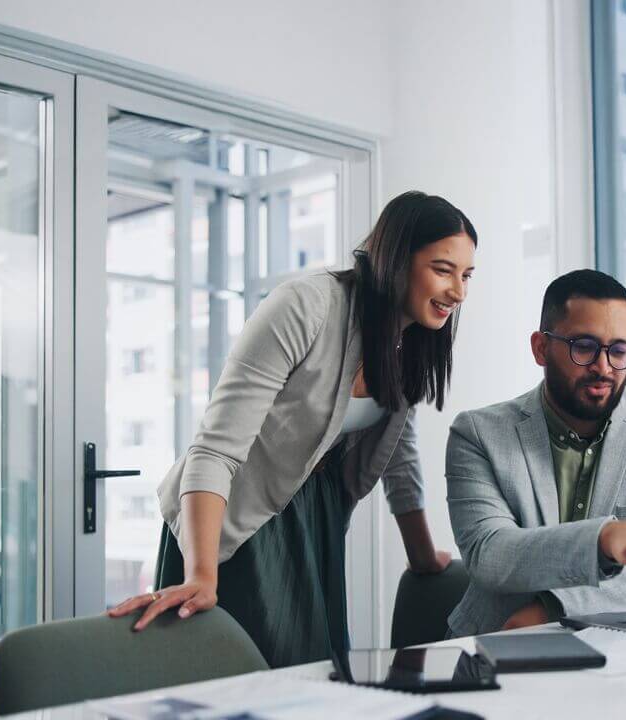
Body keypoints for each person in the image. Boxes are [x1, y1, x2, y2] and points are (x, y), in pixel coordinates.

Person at [108, 191, 477, 667]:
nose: (459, 292)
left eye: (467, 276)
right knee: (252, 677)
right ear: (395, 261)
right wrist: (201, 573)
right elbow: (215, 449)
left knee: (312, 674)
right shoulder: (307, 305)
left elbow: (396, 452)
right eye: (443, 270)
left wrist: (423, 556)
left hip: (313, 516)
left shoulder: (411, 341)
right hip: (234, 516)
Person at [445, 269, 626, 637]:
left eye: (618, 350)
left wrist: (554, 606)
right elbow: (491, 555)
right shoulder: (478, 433)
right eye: (584, 347)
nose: (604, 368)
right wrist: (605, 540)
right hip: (495, 640)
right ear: (541, 348)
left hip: (625, 647)